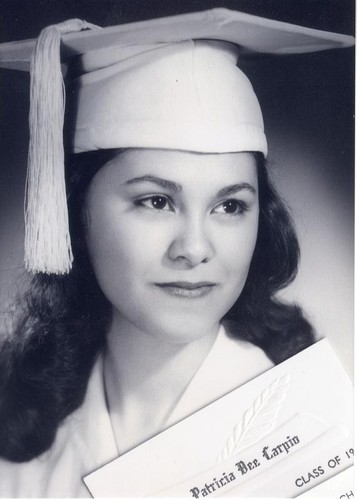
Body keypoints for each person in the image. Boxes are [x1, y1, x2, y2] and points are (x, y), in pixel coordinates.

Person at [0, 7, 353, 498]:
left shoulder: (319, 431)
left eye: (230, 205)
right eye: (157, 201)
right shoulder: (24, 436)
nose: (194, 248)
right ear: (73, 211)